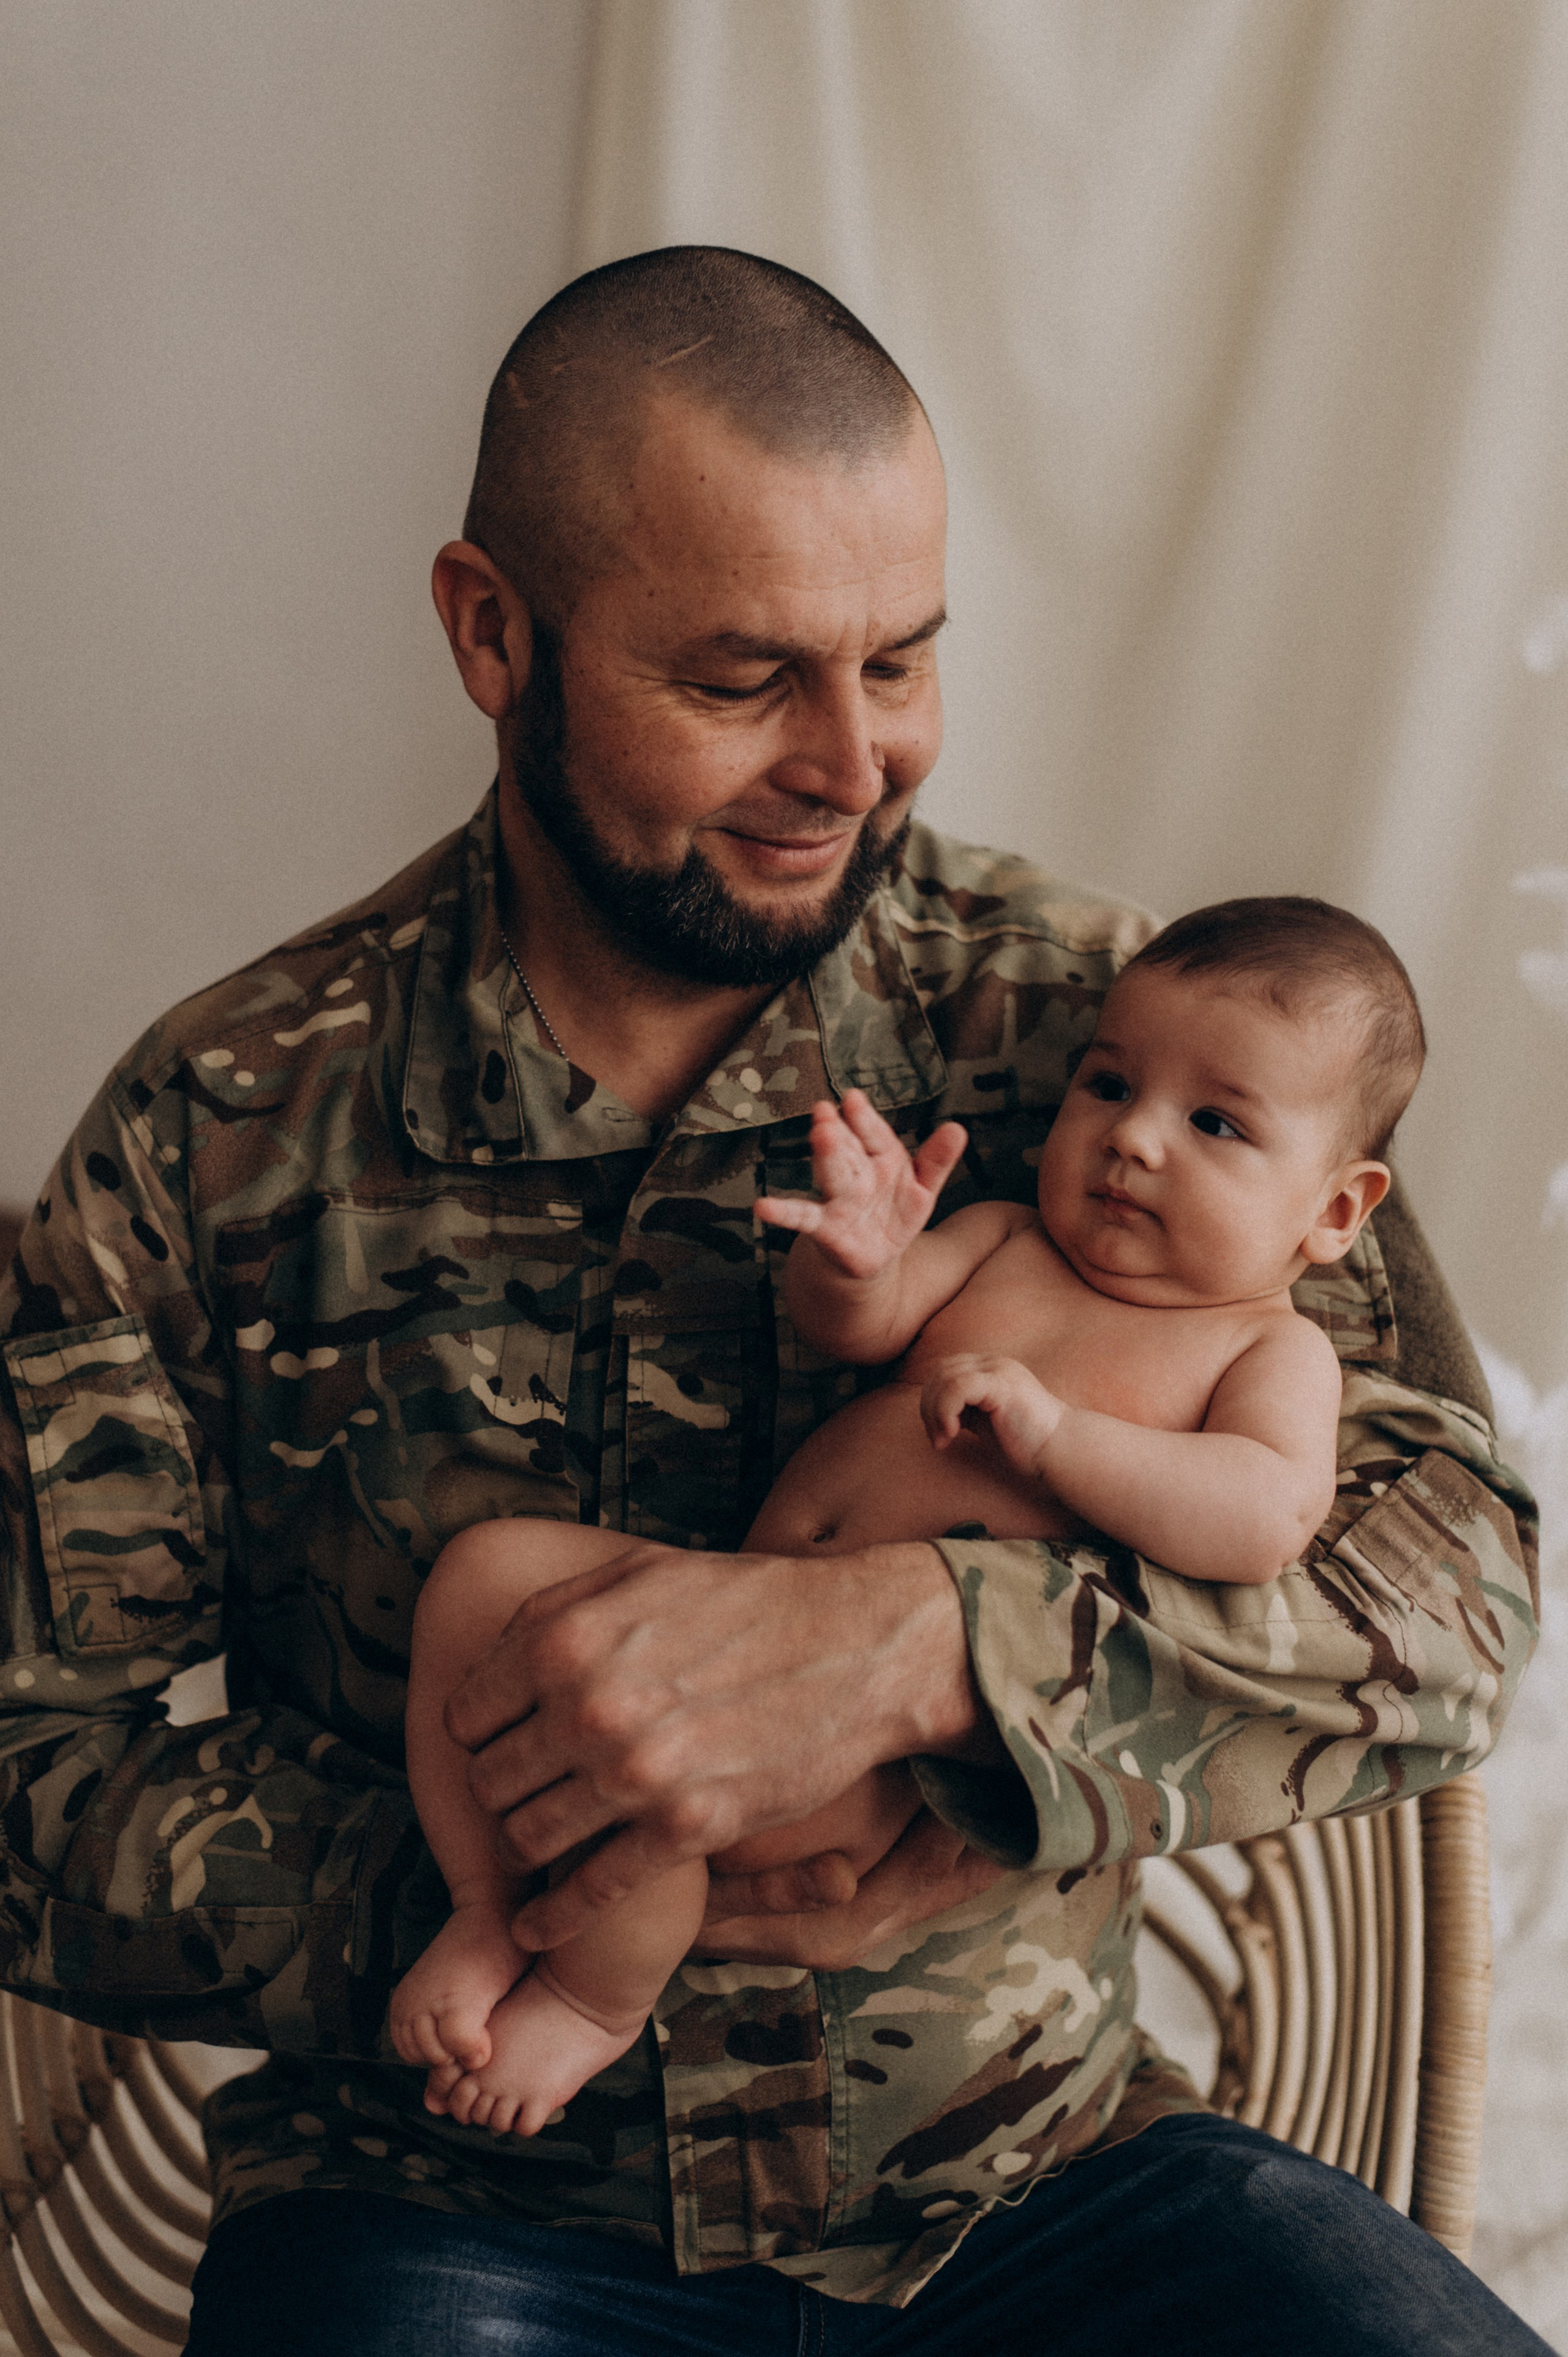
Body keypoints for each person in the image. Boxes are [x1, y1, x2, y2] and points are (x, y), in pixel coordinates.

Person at [0, 249, 1542, 2353]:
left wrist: (937, 1653)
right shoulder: (221, 1130)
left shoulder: (1107, 1039)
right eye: (743, 680)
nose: (852, 760)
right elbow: (24, 1760)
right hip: (455, 2183)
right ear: (491, 632)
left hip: (1028, 2168)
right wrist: (532, 1875)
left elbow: (1456, 1578)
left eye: (901, 662)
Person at [390, 895, 1413, 2138]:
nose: (1130, 1138)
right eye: (1106, 1084)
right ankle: (481, 1903)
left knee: (658, 1811)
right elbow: (859, 1329)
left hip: (862, 1747)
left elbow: (1261, 1515)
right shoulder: (1003, 1239)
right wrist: (854, 1259)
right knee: (488, 1577)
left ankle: (590, 1996)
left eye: (1212, 1122)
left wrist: (1060, 1438)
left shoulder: (1265, 1349)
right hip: (715, 1608)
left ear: (1336, 1210)